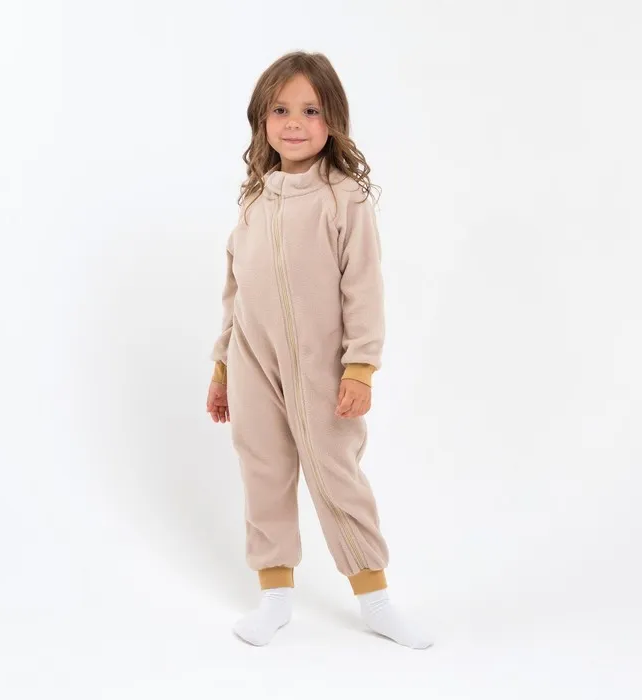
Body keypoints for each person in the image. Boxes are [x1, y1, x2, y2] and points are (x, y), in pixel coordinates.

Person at [206, 50, 431, 650]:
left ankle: (376, 600)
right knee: (263, 471)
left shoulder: (343, 199)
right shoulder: (254, 202)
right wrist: (222, 367)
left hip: (322, 367)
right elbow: (236, 290)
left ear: (333, 119)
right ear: (261, 120)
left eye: (310, 110)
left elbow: (363, 286)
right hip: (253, 363)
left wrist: (361, 365)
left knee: (335, 474)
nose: (295, 123)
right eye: (280, 110)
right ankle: (274, 599)